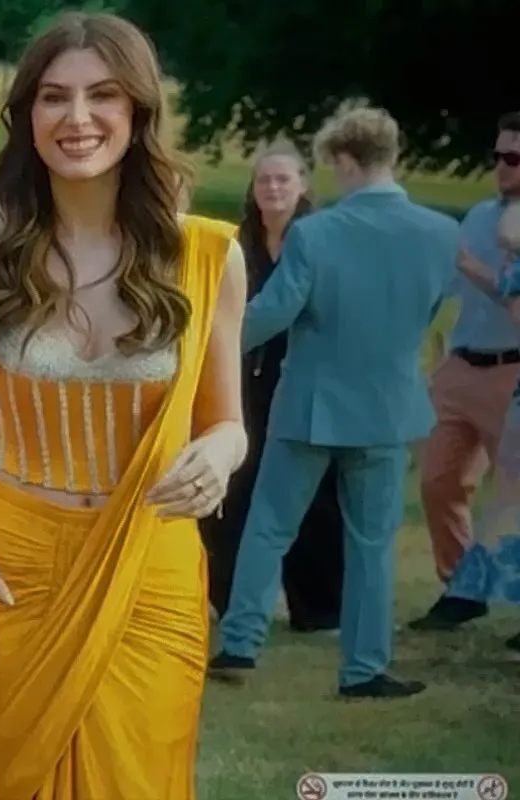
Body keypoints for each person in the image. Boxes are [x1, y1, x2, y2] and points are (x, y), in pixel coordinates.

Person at [0, 13, 247, 797]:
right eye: (54, 97)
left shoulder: (207, 256)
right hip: (12, 565)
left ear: (139, 110)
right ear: (27, 115)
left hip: (150, 569)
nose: (77, 118)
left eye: (103, 95)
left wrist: (219, 453)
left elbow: (227, 422)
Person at [211, 106, 456, 699]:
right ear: (391, 155)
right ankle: (364, 668)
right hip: (388, 407)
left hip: (310, 406)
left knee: (269, 527)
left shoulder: (315, 233)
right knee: (372, 545)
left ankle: (240, 643)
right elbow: (426, 313)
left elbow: (274, 313)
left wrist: (208, 343)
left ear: (343, 160)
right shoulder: (442, 233)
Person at [198, 141, 344, 631]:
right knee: (232, 489)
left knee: (314, 498)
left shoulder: (320, 240)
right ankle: (227, 598)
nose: (273, 187)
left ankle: (318, 608)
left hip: (305, 380)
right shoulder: (238, 244)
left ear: (304, 185)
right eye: (264, 179)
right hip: (244, 382)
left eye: (283, 179)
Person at [410, 111, 520, 633]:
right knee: (438, 480)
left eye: (513, 158)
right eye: (497, 156)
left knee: (515, 498)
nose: (502, 166)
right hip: (461, 364)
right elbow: (446, 286)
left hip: (512, 370)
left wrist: (474, 267)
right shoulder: (479, 216)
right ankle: (461, 588)